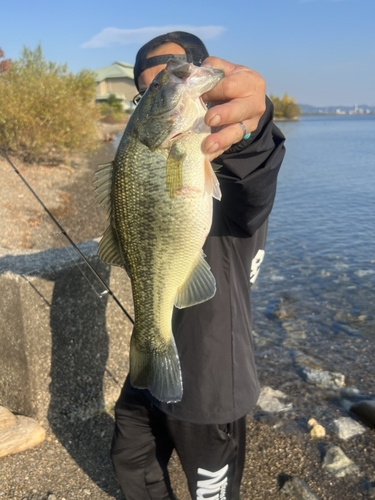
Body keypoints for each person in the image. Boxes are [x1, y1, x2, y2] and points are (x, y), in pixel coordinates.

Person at [110, 31, 286, 500]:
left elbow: (253, 183)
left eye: (173, 73)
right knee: (130, 460)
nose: (161, 86)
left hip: (212, 380)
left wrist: (254, 125)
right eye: (146, 91)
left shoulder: (223, 154)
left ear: (209, 81)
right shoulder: (159, 149)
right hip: (152, 354)